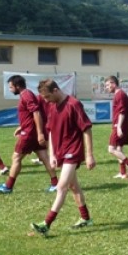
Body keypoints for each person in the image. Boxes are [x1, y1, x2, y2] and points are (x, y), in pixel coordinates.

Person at [30, 79, 96, 237]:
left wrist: (89, 155)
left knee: (61, 187)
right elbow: (51, 131)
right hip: (60, 152)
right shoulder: (52, 106)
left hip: (73, 152)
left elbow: (86, 129)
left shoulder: (74, 104)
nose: (46, 101)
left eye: (47, 97)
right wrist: (52, 154)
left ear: (55, 91)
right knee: (74, 187)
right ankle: (86, 218)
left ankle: (46, 224)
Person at [0, 75, 58, 193]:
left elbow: (36, 113)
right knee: (44, 157)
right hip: (31, 130)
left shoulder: (26, 95)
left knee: (16, 157)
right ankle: (55, 184)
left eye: (11, 87)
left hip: (30, 133)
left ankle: (8, 187)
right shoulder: (26, 94)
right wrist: (21, 126)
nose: (10, 90)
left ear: (17, 86)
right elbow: (30, 114)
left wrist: (39, 133)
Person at [104, 75, 128, 179]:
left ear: (113, 84)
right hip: (119, 125)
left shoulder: (120, 95)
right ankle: (123, 173)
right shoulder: (118, 94)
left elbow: (122, 112)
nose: (106, 88)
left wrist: (118, 127)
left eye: (107, 85)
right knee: (119, 149)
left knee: (111, 149)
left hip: (119, 126)